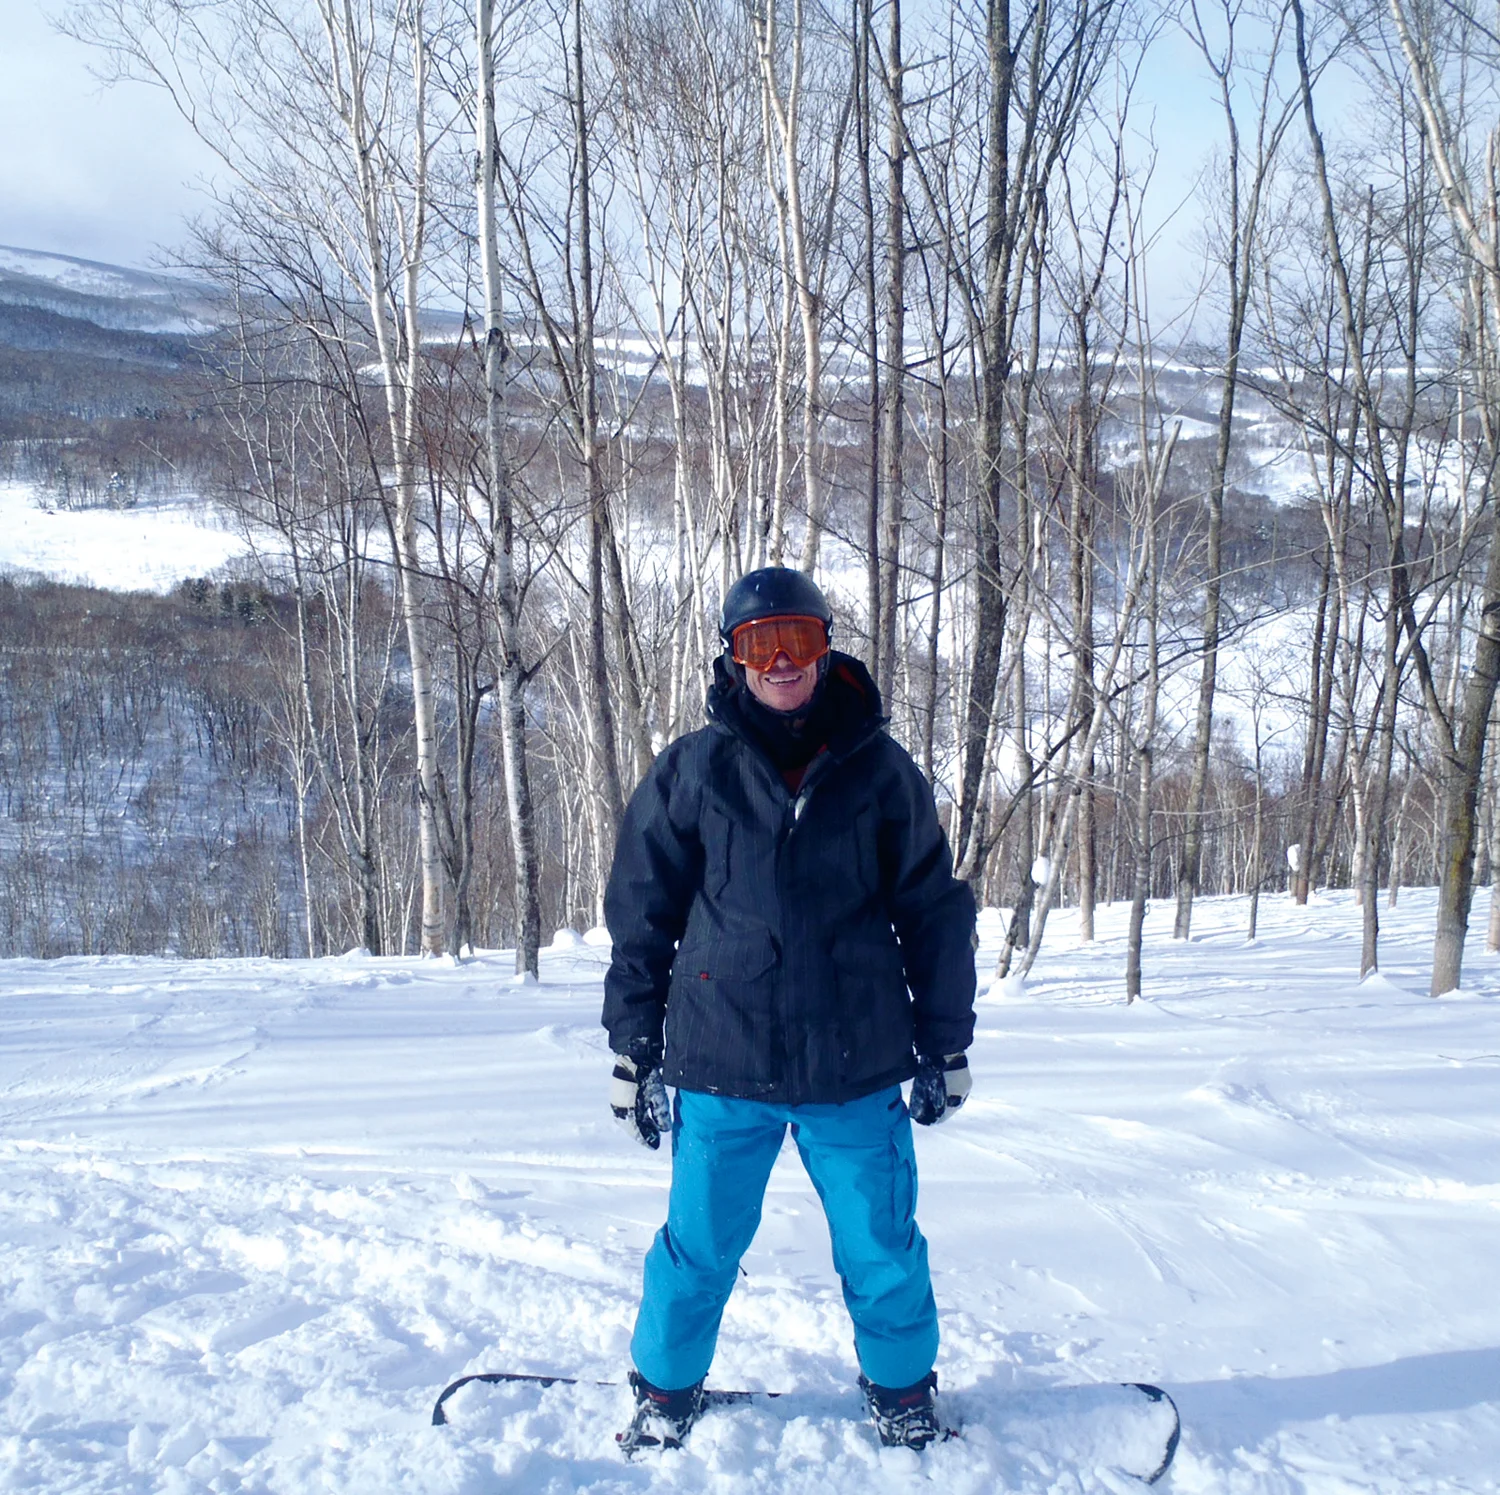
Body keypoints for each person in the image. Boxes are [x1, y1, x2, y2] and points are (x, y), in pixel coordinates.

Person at [601, 566, 977, 1454]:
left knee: (881, 1246)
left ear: (825, 648)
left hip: (855, 1064)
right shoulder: (694, 770)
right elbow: (642, 912)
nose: (780, 661)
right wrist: (633, 1046)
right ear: (733, 658)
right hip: (722, 1062)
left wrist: (946, 1043)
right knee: (697, 1245)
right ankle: (665, 1390)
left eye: (797, 639)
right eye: (759, 643)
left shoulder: (880, 771)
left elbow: (933, 910)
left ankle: (902, 1392)